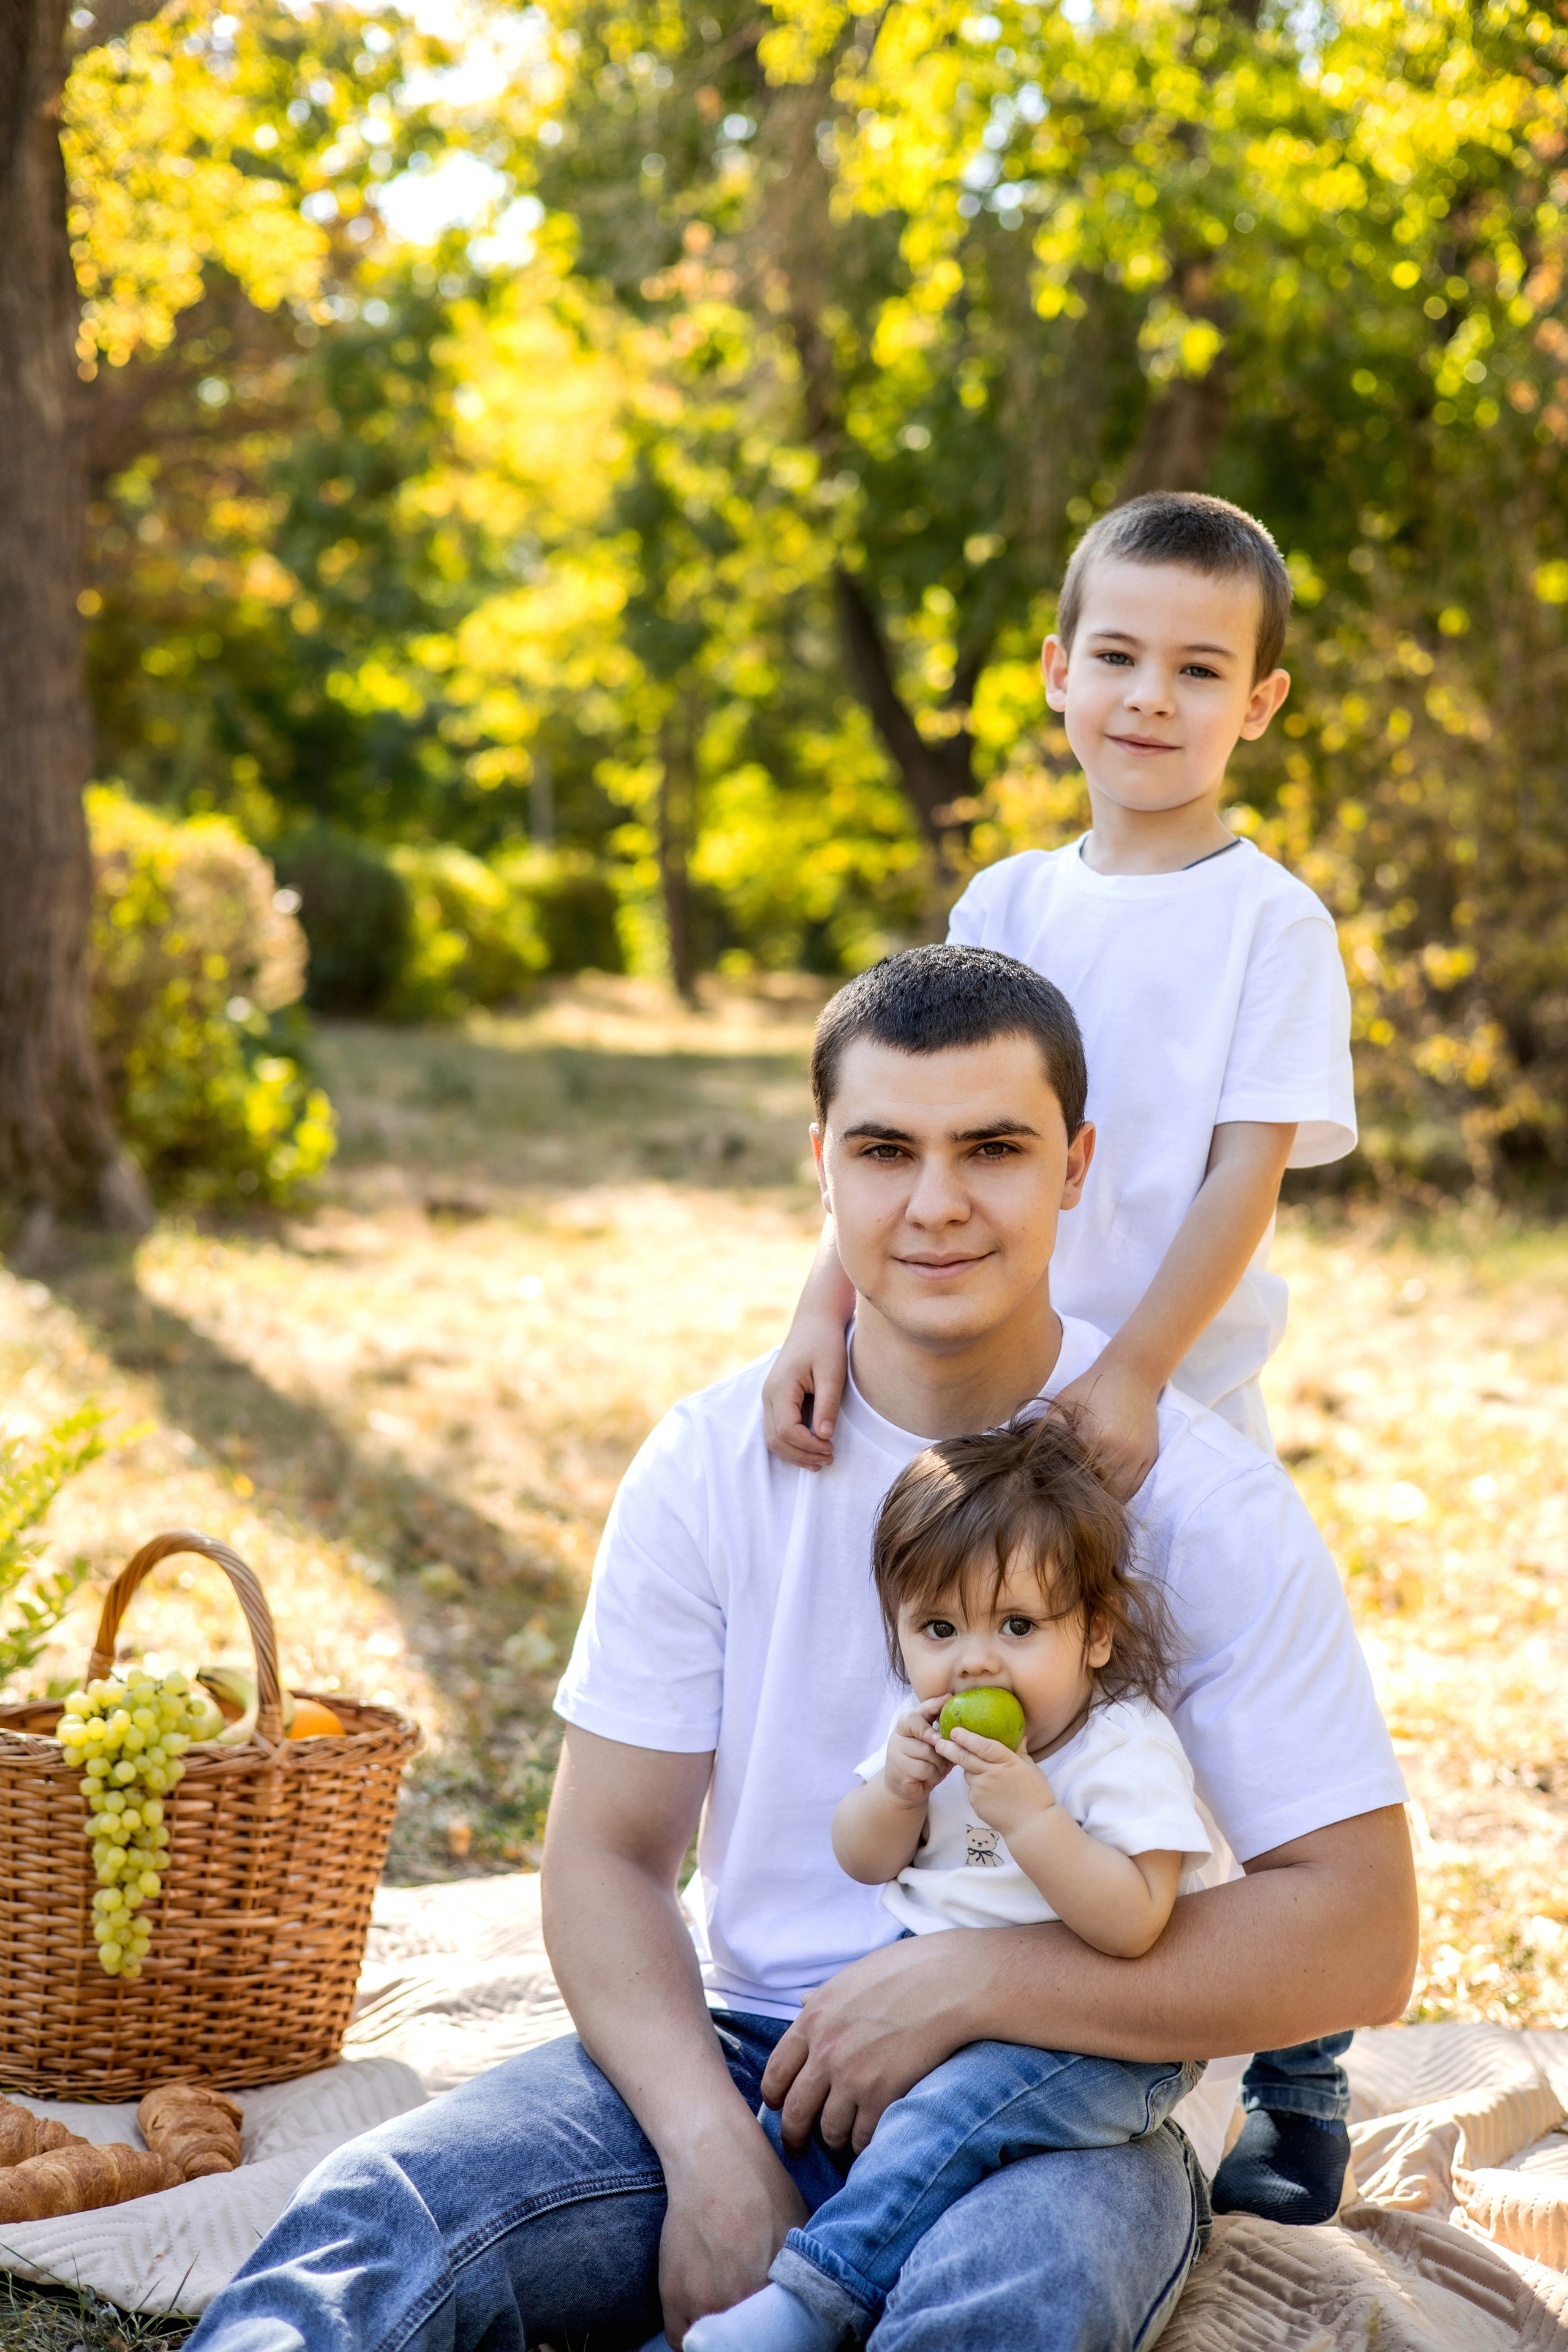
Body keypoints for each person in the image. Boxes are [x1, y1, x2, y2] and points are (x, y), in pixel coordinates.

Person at [186, 946, 1415, 2352]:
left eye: (993, 1150)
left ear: (1074, 1165)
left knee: (1015, 2303)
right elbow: (605, 1855)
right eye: (885, 1150)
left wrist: (976, 1980)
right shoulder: (713, 1460)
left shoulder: (1198, 1497)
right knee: (383, 2216)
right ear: (819, 1169)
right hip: (734, 2057)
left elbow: (1361, 1935)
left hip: (1058, 2098)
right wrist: (708, 2146)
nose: (937, 1202)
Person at [763, 493, 1361, 2222]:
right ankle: (966, 1949)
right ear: (1056, 672)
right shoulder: (1011, 891)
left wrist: (1146, 1370)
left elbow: (1246, 1167)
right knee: (998, 1666)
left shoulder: (1270, 923)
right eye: (1118, 656)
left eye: (1199, 667)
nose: (1150, 698)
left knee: (1189, 1692)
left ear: (1257, 703)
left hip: (1163, 1392)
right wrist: (826, 1305)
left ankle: (1296, 2071)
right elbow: (924, 1125)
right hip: (986, 1373)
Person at [686, 1412, 1213, 2352]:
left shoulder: (1120, 1749)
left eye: (1017, 1626)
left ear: (1095, 1631)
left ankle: (812, 2300)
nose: (974, 1659)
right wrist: (894, 1791)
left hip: (1094, 2036)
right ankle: (740, 2292)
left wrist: (1034, 1821)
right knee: (800, 2106)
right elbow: (864, 1857)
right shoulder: (924, 1734)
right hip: (924, 1988)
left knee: (944, 2118)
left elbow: (1136, 1920)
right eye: (939, 1627)